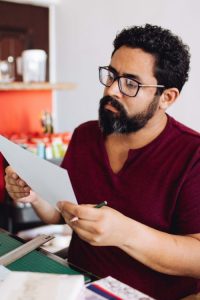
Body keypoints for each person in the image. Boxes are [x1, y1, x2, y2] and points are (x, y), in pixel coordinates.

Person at [5, 24, 200, 300]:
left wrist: (126, 233)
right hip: (77, 287)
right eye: (111, 75)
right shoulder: (86, 135)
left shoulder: (193, 155)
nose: (111, 91)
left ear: (167, 98)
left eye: (130, 84)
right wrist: (34, 195)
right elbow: (61, 212)